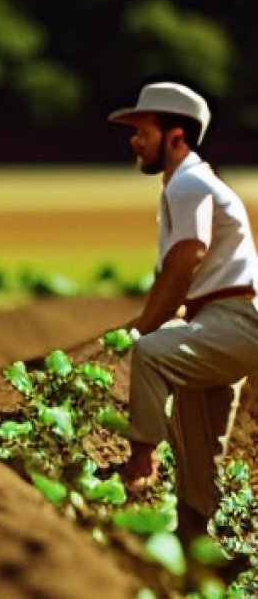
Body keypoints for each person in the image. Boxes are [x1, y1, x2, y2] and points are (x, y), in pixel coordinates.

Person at [107, 80, 258, 543]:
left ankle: (139, 464)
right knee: (196, 451)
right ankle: (202, 541)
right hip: (217, 322)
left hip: (235, 321)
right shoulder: (189, 183)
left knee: (152, 352)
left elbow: (188, 256)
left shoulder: (189, 184)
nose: (134, 140)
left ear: (176, 137)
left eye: (143, 131)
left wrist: (143, 327)